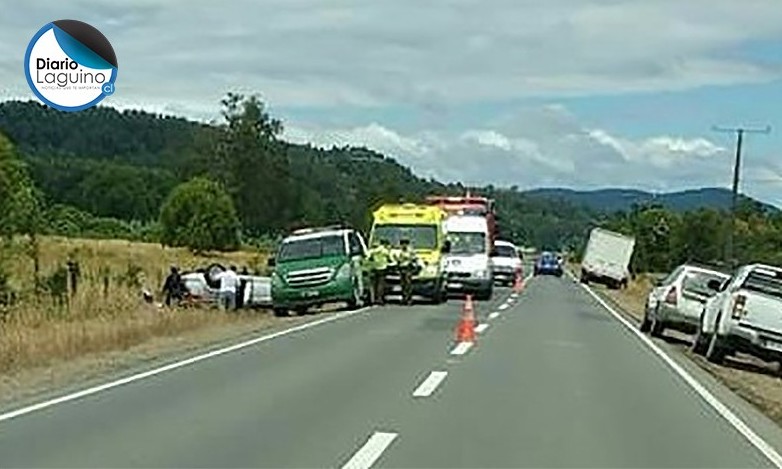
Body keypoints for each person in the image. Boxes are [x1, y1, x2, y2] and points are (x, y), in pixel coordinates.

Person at [367, 239, 391, 305]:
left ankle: (374, 299)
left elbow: (368, 257)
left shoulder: (372, 251)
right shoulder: (384, 250)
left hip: (374, 268)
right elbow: (389, 258)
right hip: (382, 268)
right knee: (381, 284)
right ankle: (380, 298)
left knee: (374, 284)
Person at [395, 238, 420, 305]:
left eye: (404, 244)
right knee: (402, 284)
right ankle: (404, 298)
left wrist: (409, 259)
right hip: (401, 268)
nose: (403, 245)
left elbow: (415, 258)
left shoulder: (411, 251)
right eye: (402, 244)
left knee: (408, 284)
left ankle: (409, 299)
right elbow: (397, 259)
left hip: (408, 268)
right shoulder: (399, 251)